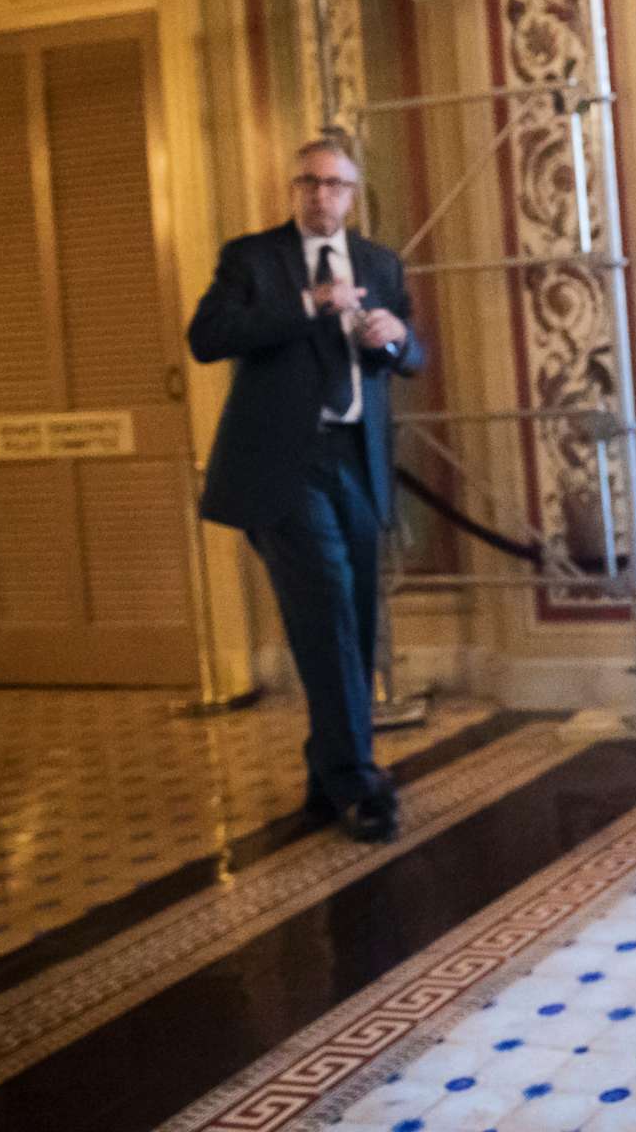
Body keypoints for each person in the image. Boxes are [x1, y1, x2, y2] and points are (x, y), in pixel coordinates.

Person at [190, 138, 423, 845]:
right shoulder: (253, 258)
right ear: (293, 189)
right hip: (280, 469)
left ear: (354, 194)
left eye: (336, 185)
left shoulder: (380, 263)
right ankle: (358, 780)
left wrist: (395, 336)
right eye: (310, 182)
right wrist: (308, 303)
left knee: (350, 618)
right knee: (325, 608)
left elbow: (413, 356)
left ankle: (327, 775)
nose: (322, 195)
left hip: (355, 461)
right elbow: (208, 337)